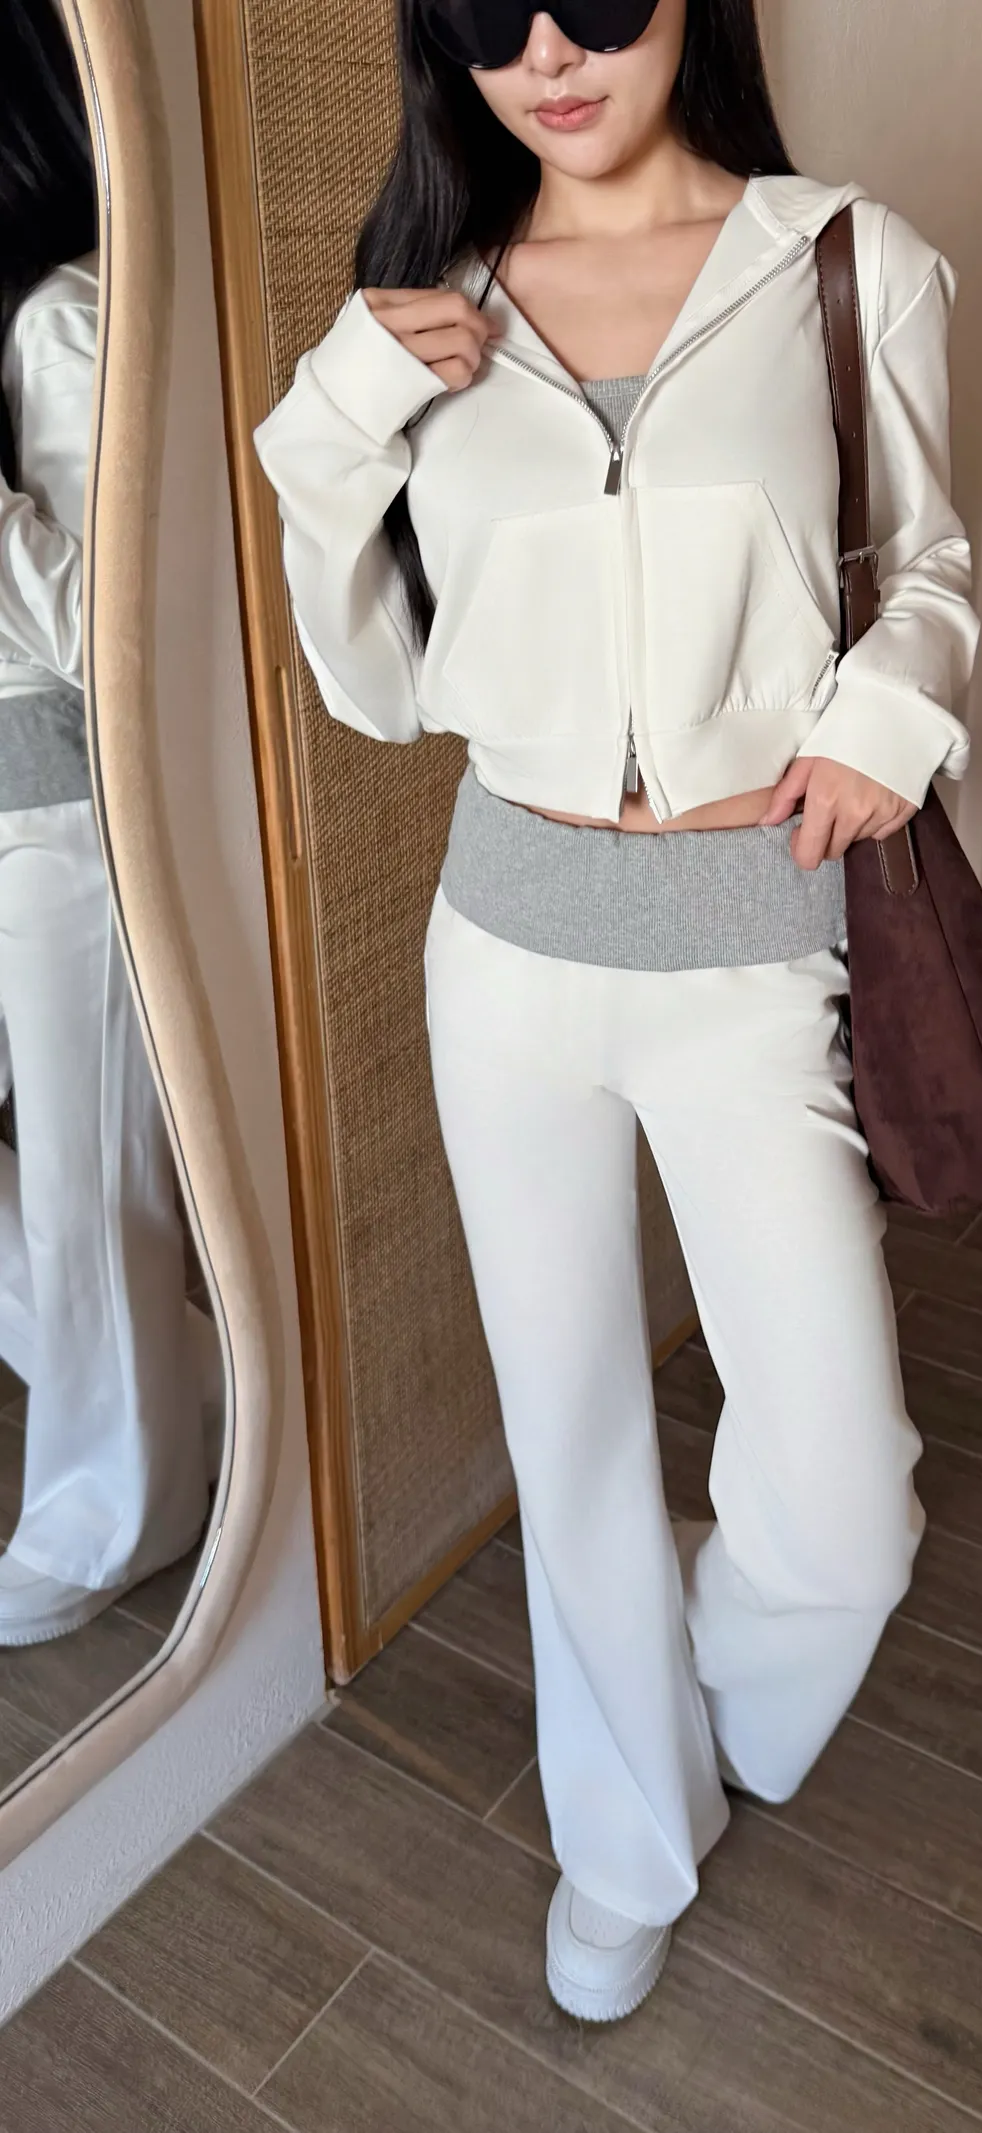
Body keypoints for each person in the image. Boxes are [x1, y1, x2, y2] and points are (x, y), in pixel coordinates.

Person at [257, 0, 979, 2021]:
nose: (548, 53)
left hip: (753, 947)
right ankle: (625, 1837)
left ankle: (714, 1704)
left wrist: (887, 716)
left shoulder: (845, 260)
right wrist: (325, 428)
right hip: (509, 946)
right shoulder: (436, 313)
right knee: (568, 1427)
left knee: (846, 1502)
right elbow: (379, 688)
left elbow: (927, 555)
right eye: (489, 17)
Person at [0, 0, 211, 1645]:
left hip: (56, 801)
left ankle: (114, 1512)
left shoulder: (73, 314)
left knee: (90, 1180)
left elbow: (109, 629)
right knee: (75, 1195)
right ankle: (166, 1385)